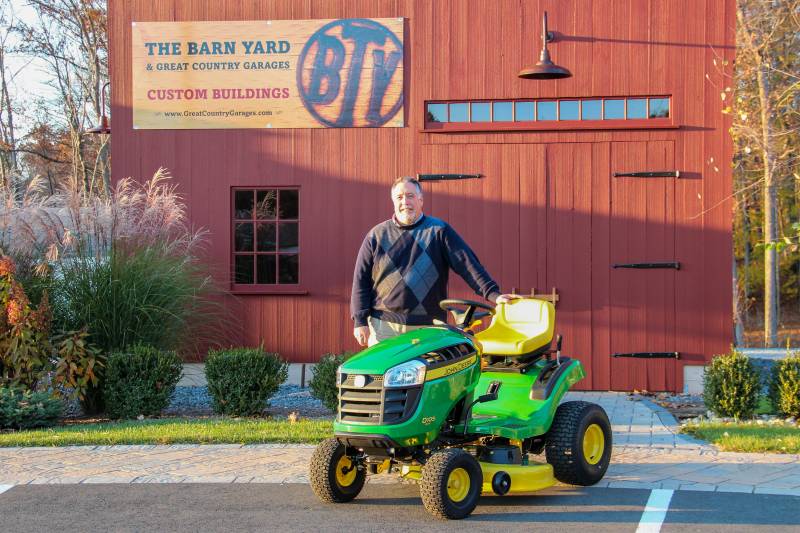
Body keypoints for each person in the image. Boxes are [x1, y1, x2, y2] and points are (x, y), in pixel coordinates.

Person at [351, 176, 517, 347]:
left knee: (430, 374)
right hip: (385, 327)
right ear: (393, 201)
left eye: (410, 196)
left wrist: (494, 295)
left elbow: (468, 265)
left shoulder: (439, 231)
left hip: (429, 327)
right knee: (382, 373)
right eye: (399, 197)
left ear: (421, 199)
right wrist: (360, 321)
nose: (405, 201)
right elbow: (360, 280)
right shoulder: (376, 235)